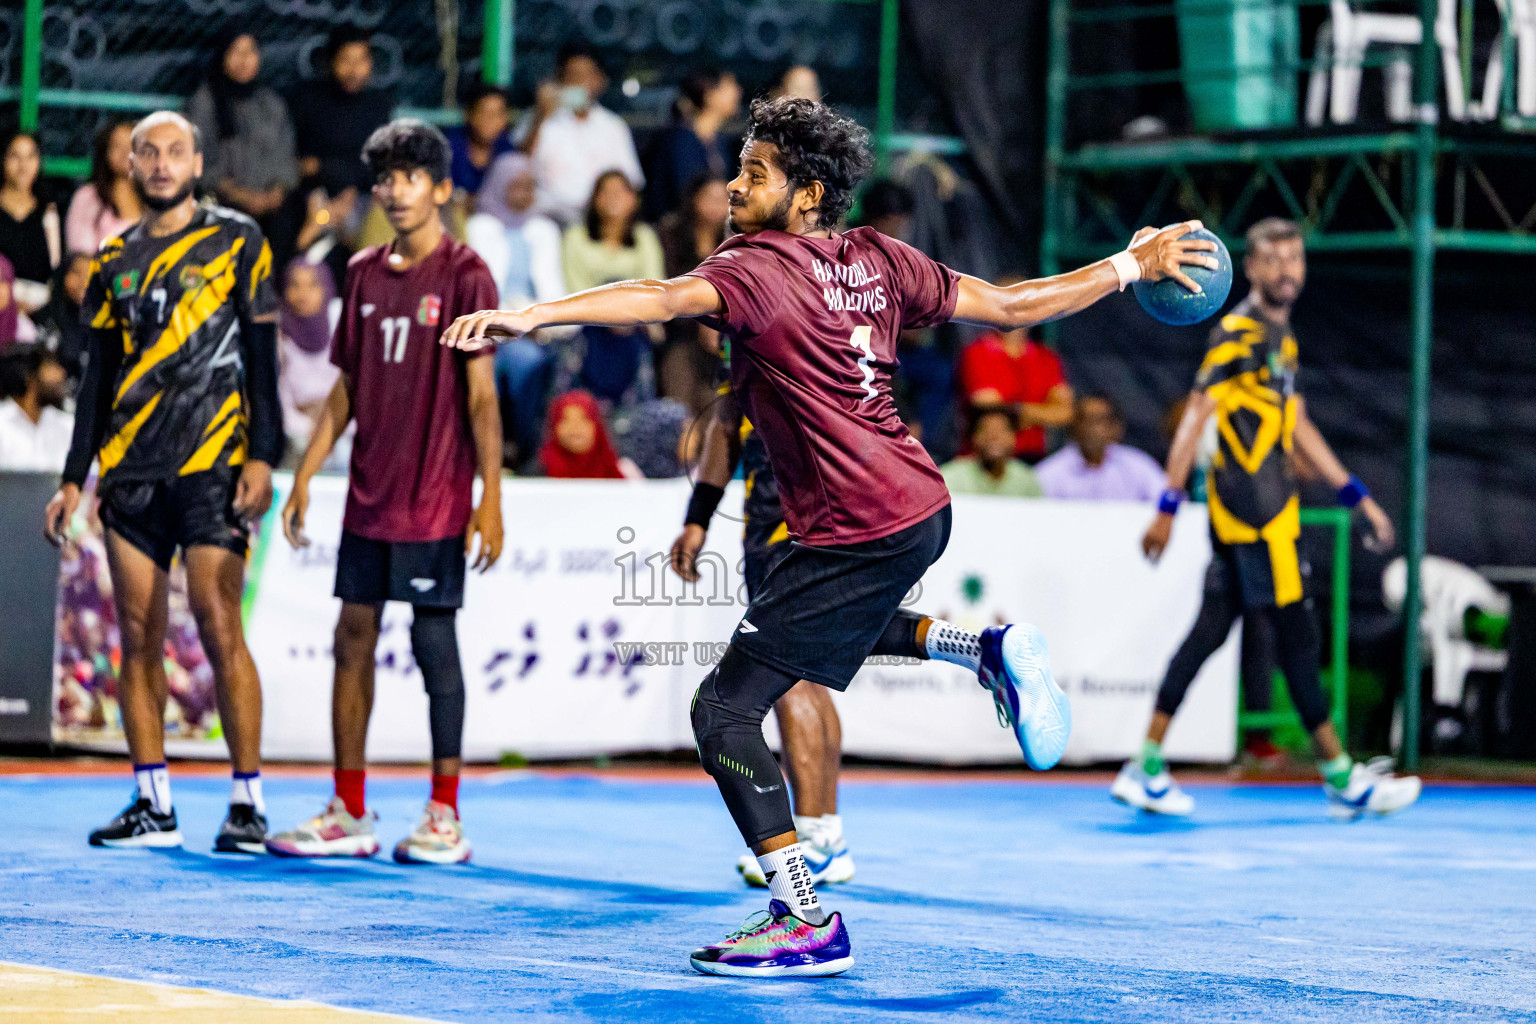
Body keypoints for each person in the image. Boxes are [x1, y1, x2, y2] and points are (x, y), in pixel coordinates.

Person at [444, 95, 1213, 976]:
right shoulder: (879, 258)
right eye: (738, 169)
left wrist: (532, 316)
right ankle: (984, 649)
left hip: (856, 522)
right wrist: (1125, 264)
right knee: (807, 635)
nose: (734, 186)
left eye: (755, 174)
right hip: (914, 506)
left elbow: (657, 295)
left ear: (807, 194)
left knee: (724, 711)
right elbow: (1009, 306)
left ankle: (803, 917)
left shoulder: (753, 269)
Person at [1117, 217, 1420, 821]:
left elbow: (1297, 424)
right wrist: (1168, 506)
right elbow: (1195, 419)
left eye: (1295, 260)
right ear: (1248, 269)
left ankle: (1143, 767)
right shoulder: (1238, 333)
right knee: (1298, 643)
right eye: (1273, 261)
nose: (1287, 272)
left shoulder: (1281, 339)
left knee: (1207, 634)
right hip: (1259, 520)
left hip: (1252, 518)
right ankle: (1341, 777)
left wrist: (1353, 493)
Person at [265, 120, 503, 864]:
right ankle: (350, 809)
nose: (396, 190)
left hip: (435, 496)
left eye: (411, 176)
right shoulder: (362, 272)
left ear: (440, 188)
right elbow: (344, 390)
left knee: (434, 644)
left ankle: (445, 814)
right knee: (351, 640)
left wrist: (488, 496)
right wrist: (305, 475)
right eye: (386, 178)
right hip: (368, 495)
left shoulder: (468, 275)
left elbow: (484, 399)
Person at [44, 111, 281, 854]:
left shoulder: (239, 241)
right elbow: (95, 383)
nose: (160, 162)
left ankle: (247, 804)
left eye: (175, 150)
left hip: (213, 464)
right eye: (147, 150)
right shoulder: (112, 259)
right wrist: (72, 478)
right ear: (130, 163)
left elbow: (264, 361)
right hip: (132, 475)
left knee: (218, 625)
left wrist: (263, 455)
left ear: (197, 161)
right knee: (137, 638)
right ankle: (154, 802)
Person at [672, 382, 859, 893]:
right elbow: (726, 426)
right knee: (809, 678)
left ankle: (815, 841)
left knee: (785, 680)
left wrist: (696, 519)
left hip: (787, 528)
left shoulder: (754, 325)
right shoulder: (812, 318)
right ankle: (827, 835)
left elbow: (722, 427)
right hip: (820, 524)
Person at [464, 153, 565, 463]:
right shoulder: (479, 227)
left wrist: (535, 322)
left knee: (529, 365)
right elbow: (476, 287)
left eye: (530, 186)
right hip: (486, 326)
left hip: (532, 330)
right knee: (485, 370)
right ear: (499, 185)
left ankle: (524, 451)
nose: (525, 193)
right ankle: (482, 452)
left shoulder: (545, 229)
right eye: (517, 186)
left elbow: (552, 287)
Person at [185, 26, 299, 258]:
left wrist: (274, 194)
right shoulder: (204, 102)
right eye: (235, 52)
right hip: (224, 201)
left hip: (270, 205)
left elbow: (286, 158)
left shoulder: (271, 103)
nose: (244, 60)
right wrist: (243, 196)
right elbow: (198, 164)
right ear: (222, 57)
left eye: (250, 52)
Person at [560, 170, 665, 408]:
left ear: (633, 199)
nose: (613, 198)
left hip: (634, 324)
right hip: (587, 323)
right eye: (605, 192)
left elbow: (654, 286)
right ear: (594, 199)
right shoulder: (576, 236)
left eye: (620, 192)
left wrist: (627, 316)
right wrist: (610, 314)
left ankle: (636, 412)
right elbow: (575, 288)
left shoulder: (645, 236)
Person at [517, 41, 644, 223]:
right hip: (549, 219)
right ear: (559, 80)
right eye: (572, 76)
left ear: (600, 81)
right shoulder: (538, 119)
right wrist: (540, 117)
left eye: (586, 76)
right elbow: (517, 169)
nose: (580, 83)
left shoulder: (613, 127)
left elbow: (632, 182)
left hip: (598, 223)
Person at [956, 285, 1073, 461]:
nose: (1016, 311)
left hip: (1033, 457)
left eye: (1024, 304)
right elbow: (988, 406)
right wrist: (1042, 410)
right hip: (982, 457)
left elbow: (1064, 412)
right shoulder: (976, 352)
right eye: (1009, 303)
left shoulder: (1046, 357)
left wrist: (1017, 409)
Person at [289, 26, 395, 201]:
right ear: (331, 61)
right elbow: (300, 166)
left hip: (365, 200)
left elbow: (379, 167)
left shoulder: (379, 106)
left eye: (361, 61)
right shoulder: (307, 101)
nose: (354, 71)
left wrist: (324, 167)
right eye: (345, 60)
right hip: (313, 198)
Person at [642, 68, 742, 220]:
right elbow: (680, 191)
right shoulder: (679, 141)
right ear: (709, 94)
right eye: (729, 86)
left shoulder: (721, 141)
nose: (738, 91)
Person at [1036, 394, 1165, 501]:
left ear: (1115, 428)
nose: (1091, 429)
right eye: (1085, 421)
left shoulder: (1138, 466)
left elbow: (1168, 502)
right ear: (1073, 428)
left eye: (1099, 421)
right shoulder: (1050, 472)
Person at [275, 258, 340, 450]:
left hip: (344, 433)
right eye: (295, 285)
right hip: (298, 439)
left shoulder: (343, 321)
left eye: (312, 285)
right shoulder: (278, 333)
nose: (303, 295)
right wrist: (306, 428)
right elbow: (278, 397)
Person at [0, 131, 60, 311]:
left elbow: (54, 267)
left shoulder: (48, 211)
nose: (23, 165)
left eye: (31, 156)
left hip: (38, 307)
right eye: (15, 155)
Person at [65, 122, 142, 255]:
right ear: (105, 152)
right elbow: (80, 256)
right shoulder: (87, 197)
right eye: (117, 145)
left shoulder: (153, 197)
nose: (126, 152)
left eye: (132, 145)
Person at [940, 406, 1044, 497]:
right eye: (986, 430)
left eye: (1002, 430)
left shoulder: (1027, 481)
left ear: (1014, 437)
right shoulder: (950, 478)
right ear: (974, 437)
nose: (994, 436)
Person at [0, 344, 72, 471]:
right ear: (29, 375)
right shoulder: (3, 423)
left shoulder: (67, 425)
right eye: (51, 365)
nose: (61, 373)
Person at [535, 389, 627, 478]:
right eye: (566, 420)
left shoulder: (614, 471)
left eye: (584, 419)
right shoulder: (539, 471)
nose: (575, 427)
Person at [32, 252, 94, 380]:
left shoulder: (101, 324)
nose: (83, 281)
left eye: (90, 274)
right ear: (63, 275)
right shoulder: (43, 319)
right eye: (77, 273)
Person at [447, 83, 516, 196]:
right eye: (484, 112)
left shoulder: (508, 153)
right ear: (469, 115)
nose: (490, 120)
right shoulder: (449, 149)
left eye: (497, 114)